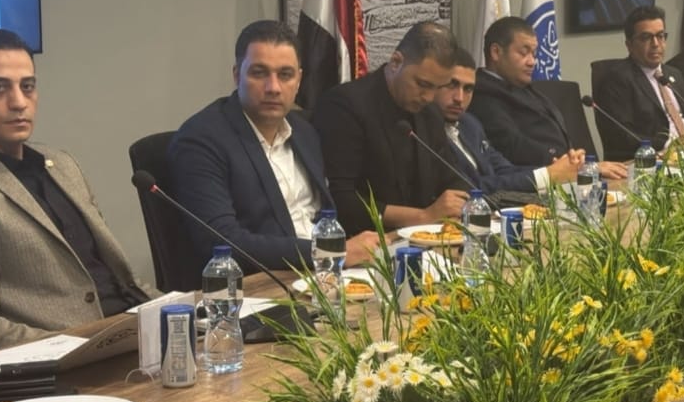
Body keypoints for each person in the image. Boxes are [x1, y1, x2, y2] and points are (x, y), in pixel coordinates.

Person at [169, 20, 380, 276]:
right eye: (259, 73)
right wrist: (328, 251)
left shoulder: (304, 131)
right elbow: (222, 240)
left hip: (327, 274)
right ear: (237, 75)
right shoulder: (202, 140)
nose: (273, 88)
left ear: (299, 80)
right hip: (266, 282)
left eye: (285, 75)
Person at [0, 29, 153, 350]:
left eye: (27, 86)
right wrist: (78, 345)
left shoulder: (62, 164)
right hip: (71, 354)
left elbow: (120, 278)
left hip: (133, 330)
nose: (18, 102)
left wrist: (180, 311)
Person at [312, 21, 470, 233]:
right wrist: (423, 216)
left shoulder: (430, 113)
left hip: (424, 237)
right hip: (366, 239)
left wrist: (458, 204)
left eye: (438, 88)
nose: (429, 97)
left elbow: (451, 176)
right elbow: (341, 199)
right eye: (423, 84)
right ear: (396, 62)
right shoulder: (345, 106)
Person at [468, 16, 625, 181]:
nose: (532, 62)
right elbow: (514, 146)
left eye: (534, 53)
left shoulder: (521, 86)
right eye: (523, 53)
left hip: (567, 175)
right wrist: (576, 166)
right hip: (534, 182)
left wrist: (580, 164)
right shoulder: (482, 93)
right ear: (496, 52)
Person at [434, 47, 581, 198]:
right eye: (451, 85)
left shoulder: (470, 124)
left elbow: (504, 170)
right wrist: (546, 176)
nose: (459, 98)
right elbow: (472, 186)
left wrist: (556, 169)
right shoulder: (427, 133)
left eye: (468, 89)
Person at [593, 5, 684, 162]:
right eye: (646, 38)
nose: (655, 44)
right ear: (629, 45)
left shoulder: (674, 74)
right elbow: (622, 136)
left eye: (660, 36)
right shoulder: (616, 81)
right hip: (651, 160)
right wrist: (670, 144)